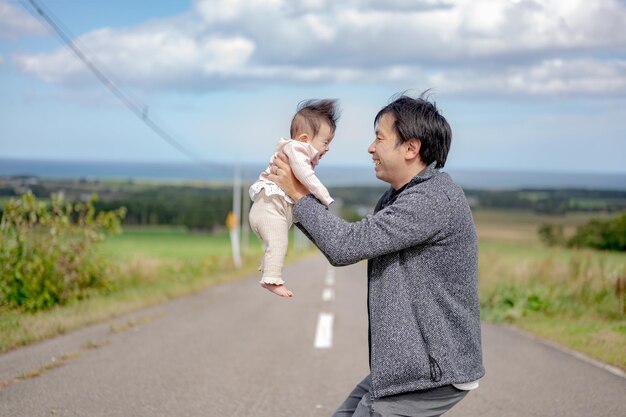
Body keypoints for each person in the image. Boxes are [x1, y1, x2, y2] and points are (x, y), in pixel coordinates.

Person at [266, 92, 484, 416]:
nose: (370, 147)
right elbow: (340, 243)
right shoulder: (397, 197)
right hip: (405, 370)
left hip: (429, 371)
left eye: (379, 138)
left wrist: (297, 195)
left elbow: (344, 246)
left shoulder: (432, 199)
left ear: (411, 148)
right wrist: (290, 200)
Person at [249, 99, 339, 298]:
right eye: (325, 142)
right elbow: (308, 178)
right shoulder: (297, 150)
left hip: (270, 210)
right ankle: (271, 279)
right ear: (305, 139)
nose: (328, 148)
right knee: (279, 243)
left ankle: (268, 268)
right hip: (270, 209)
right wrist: (324, 197)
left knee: (278, 243)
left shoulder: (293, 151)